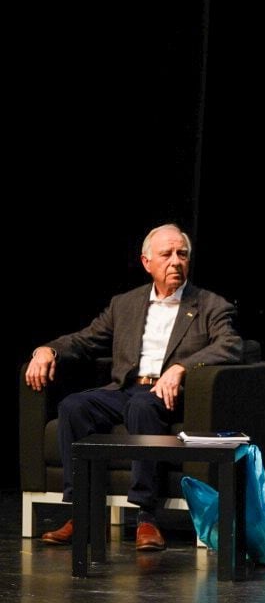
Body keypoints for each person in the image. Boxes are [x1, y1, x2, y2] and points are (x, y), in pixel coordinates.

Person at [26, 223, 243, 552]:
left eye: (182, 254)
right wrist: (47, 350)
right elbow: (85, 340)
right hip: (125, 390)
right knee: (73, 406)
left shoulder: (210, 305)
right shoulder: (124, 304)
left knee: (142, 406)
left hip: (172, 396)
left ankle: (146, 516)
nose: (175, 262)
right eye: (166, 255)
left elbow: (231, 345)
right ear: (147, 263)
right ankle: (84, 511)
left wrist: (181, 368)